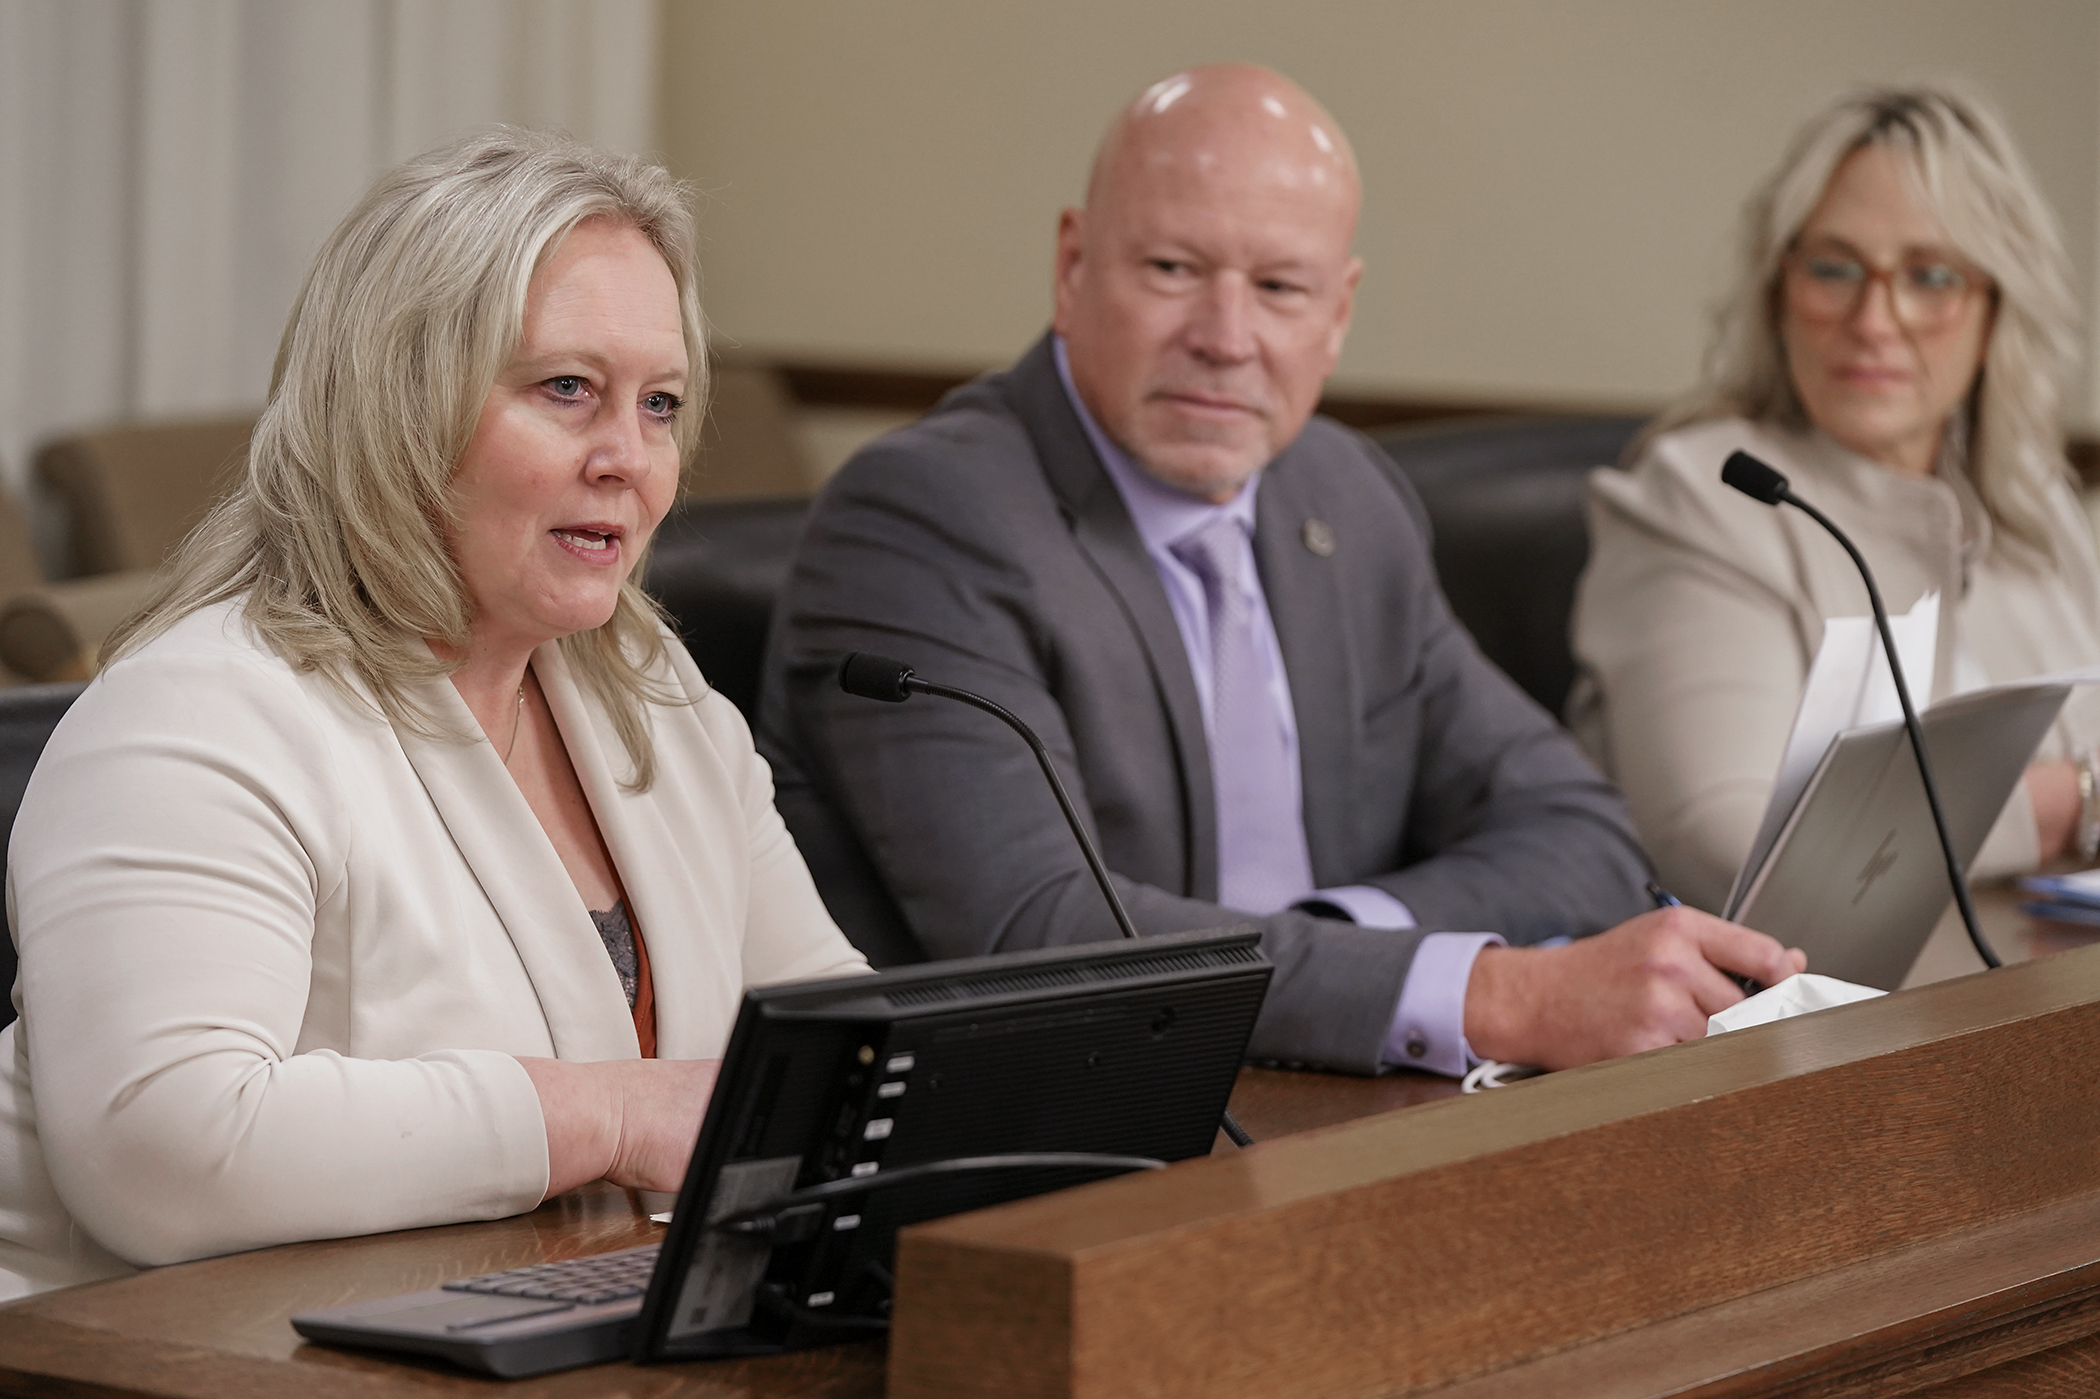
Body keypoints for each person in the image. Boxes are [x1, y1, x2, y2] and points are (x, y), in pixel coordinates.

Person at [759, 64, 1803, 1080]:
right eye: (1172, 269)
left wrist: (1334, 937)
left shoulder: (1343, 494)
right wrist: (1494, 993)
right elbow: (1043, 937)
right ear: (1072, 266)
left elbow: (1581, 833)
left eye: (1279, 287)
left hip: (1327, 1103)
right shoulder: (924, 518)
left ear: (1337, 314)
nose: (1226, 338)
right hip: (1052, 1138)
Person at [0, 130, 867, 1298]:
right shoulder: (196, 716)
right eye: (568, 388)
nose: (632, 458)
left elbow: (835, 1034)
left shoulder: (650, 696)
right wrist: (610, 1115)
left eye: (660, 404)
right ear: (397, 402)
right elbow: (164, 1150)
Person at [1570, 87, 2100, 915]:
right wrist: (2074, 799)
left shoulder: (2030, 499)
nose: (1875, 318)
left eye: (1930, 276)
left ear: (1998, 307)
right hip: (1795, 1027)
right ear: (1779, 289)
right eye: (1834, 267)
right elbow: (1743, 849)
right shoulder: (1700, 495)